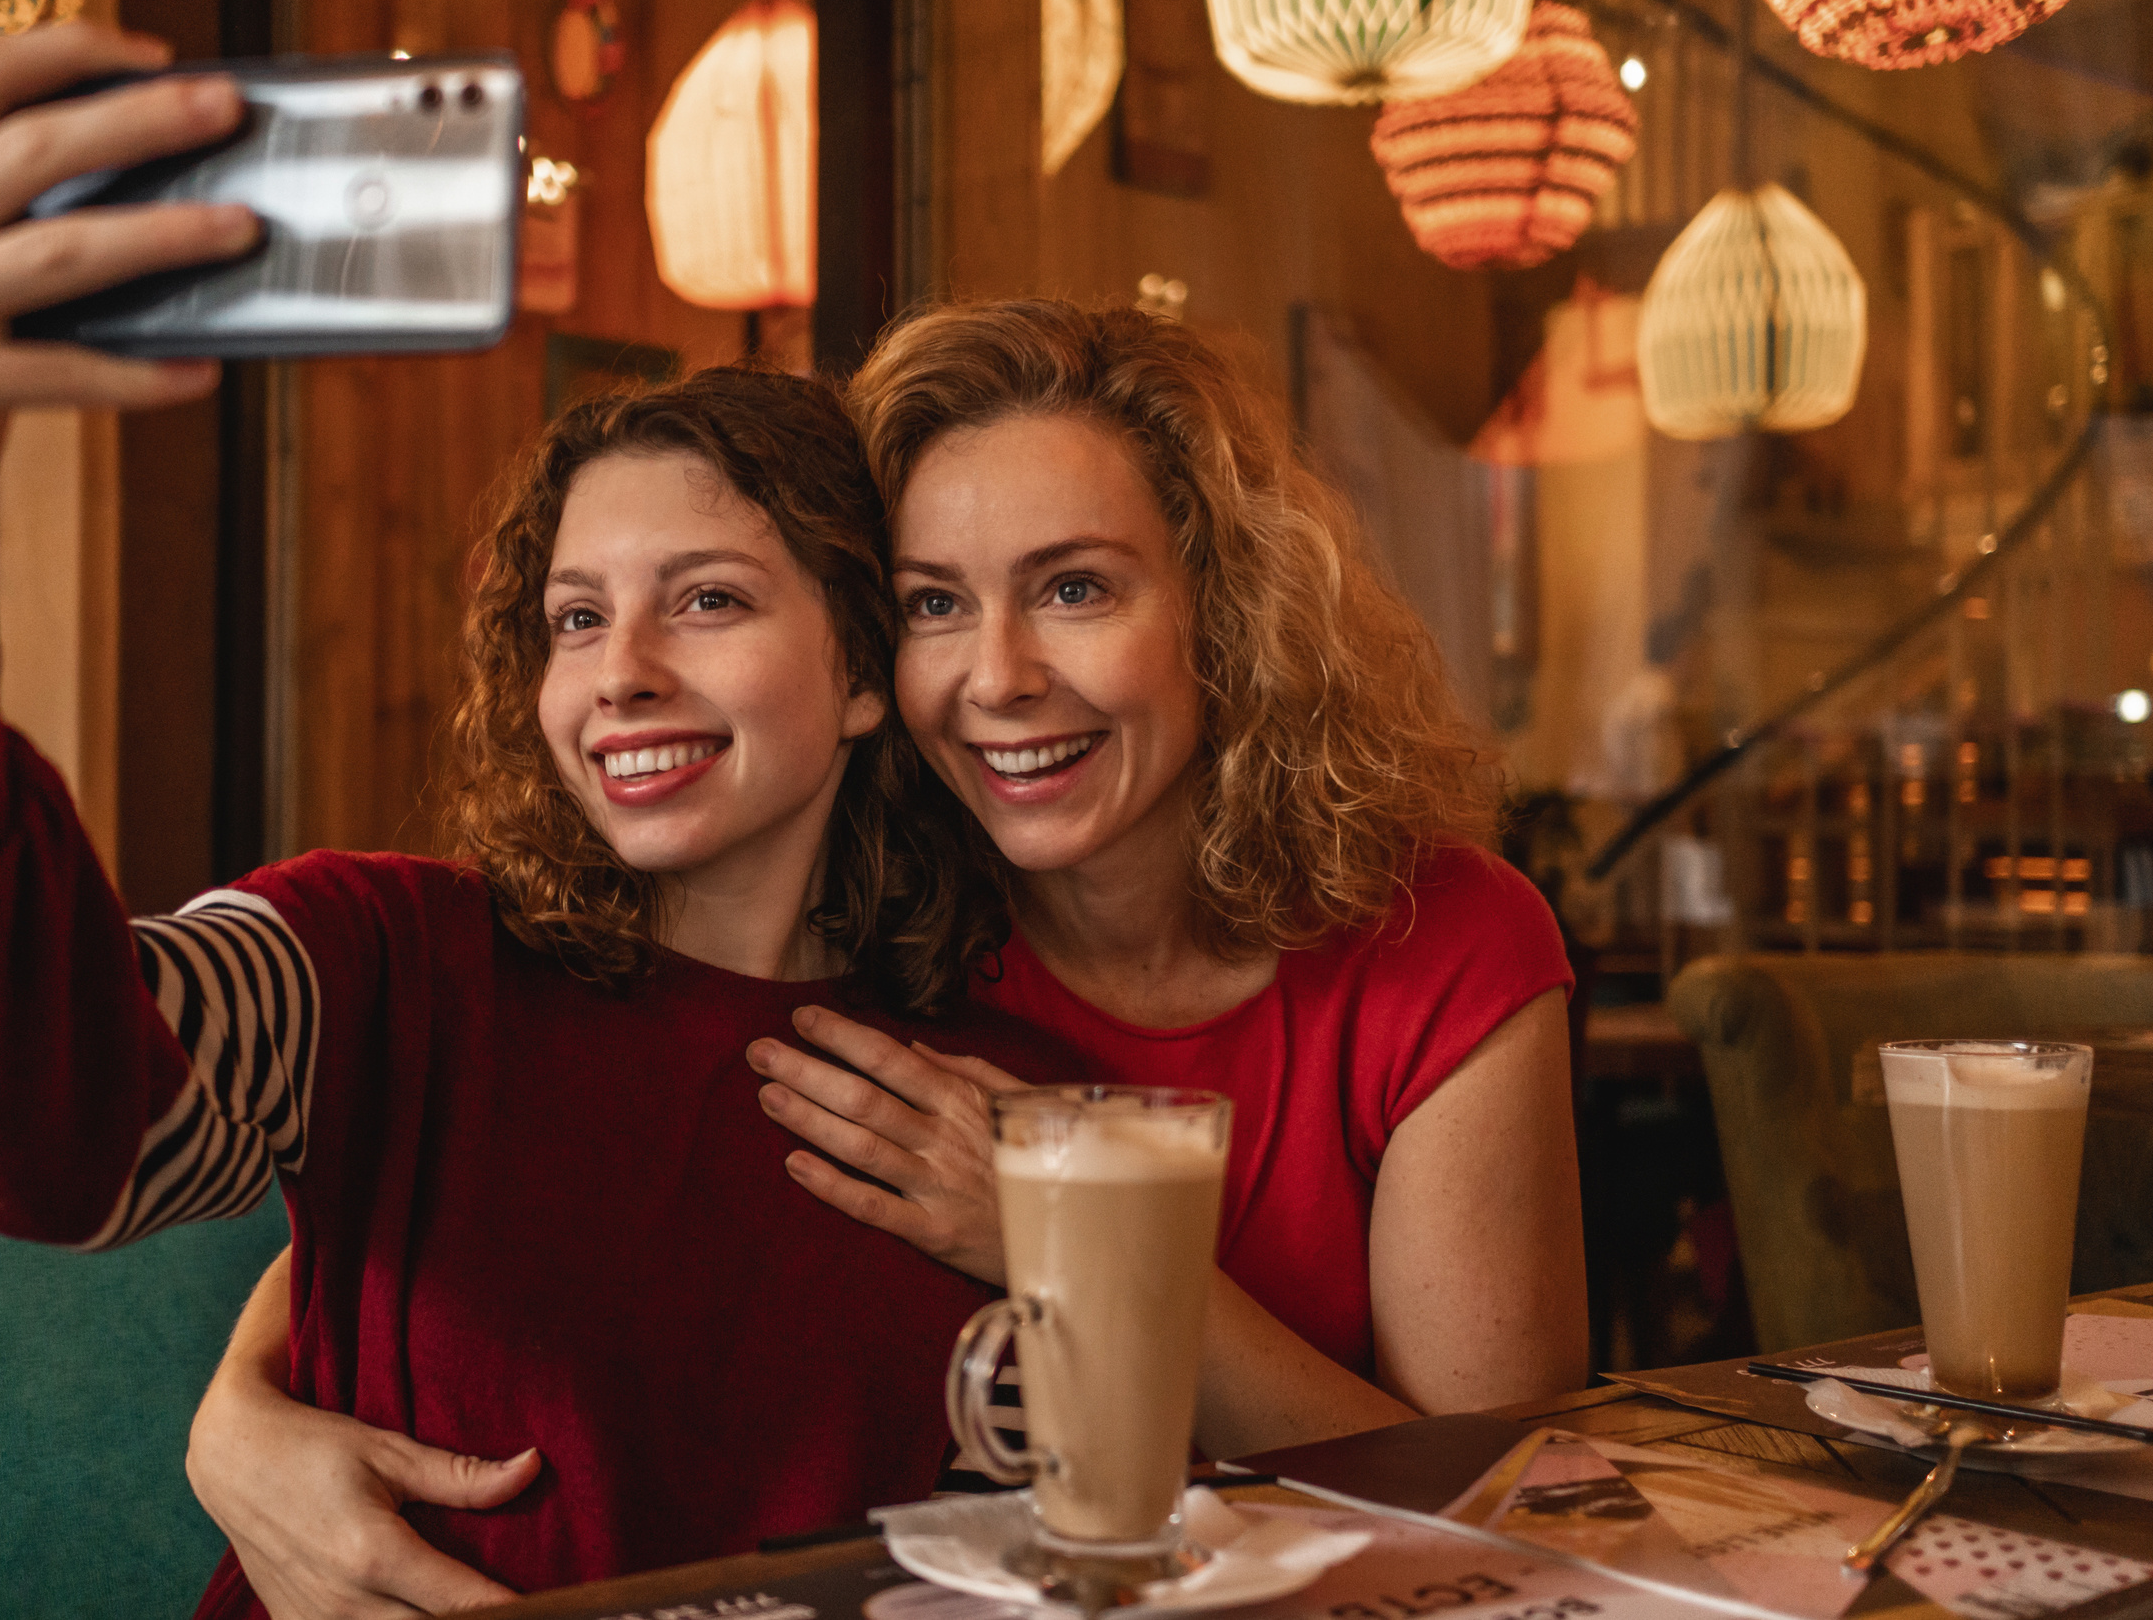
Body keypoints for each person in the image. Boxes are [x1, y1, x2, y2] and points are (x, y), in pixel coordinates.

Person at [0, 22, 1079, 1620]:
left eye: (709, 601)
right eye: (575, 619)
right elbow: (55, 1116)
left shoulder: (1001, 1106)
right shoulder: (382, 962)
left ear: (869, 668)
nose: (621, 678)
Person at [186, 300, 1589, 1615]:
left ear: (1220, 613)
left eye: (1078, 588)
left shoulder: (1437, 939)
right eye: (931, 604)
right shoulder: (887, 946)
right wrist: (234, 1413)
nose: (998, 676)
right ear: (868, 656)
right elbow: (512, 1175)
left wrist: (1048, 1234)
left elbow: (1503, 1503)